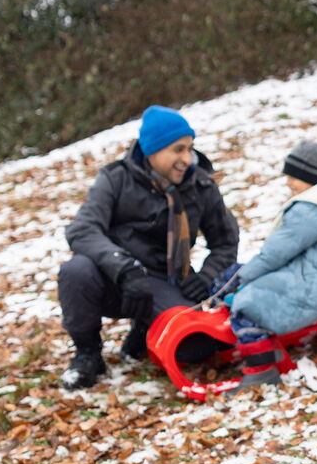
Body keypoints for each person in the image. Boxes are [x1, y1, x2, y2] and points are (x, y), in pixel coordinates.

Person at [59, 105, 240, 390]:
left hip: (165, 277)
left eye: (189, 149)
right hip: (115, 275)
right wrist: (124, 268)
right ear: (153, 151)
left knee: (196, 348)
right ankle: (87, 355)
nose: (186, 159)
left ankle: (144, 331)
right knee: (76, 270)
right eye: (177, 150)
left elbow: (226, 240)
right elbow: (82, 230)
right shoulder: (116, 179)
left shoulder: (201, 185)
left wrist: (207, 277)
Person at [209, 141, 317, 392]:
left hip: (316, 284)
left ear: (309, 177)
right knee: (241, 279)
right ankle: (257, 344)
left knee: (248, 304)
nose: (288, 182)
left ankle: (262, 371)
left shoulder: (311, 210)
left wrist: (240, 281)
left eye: (293, 176)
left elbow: (274, 255)